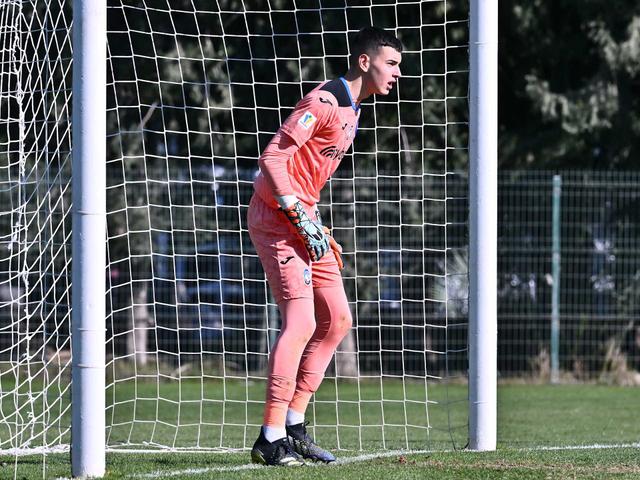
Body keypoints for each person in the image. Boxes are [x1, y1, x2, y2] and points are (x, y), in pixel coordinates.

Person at [247, 26, 403, 466]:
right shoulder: (324, 103)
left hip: (305, 220)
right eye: (390, 63)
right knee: (299, 321)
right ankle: (270, 437)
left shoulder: (355, 109)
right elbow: (272, 157)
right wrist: (296, 213)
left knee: (336, 320)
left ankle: (294, 424)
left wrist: (311, 219)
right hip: (276, 220)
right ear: (364, 61)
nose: (396, 73)